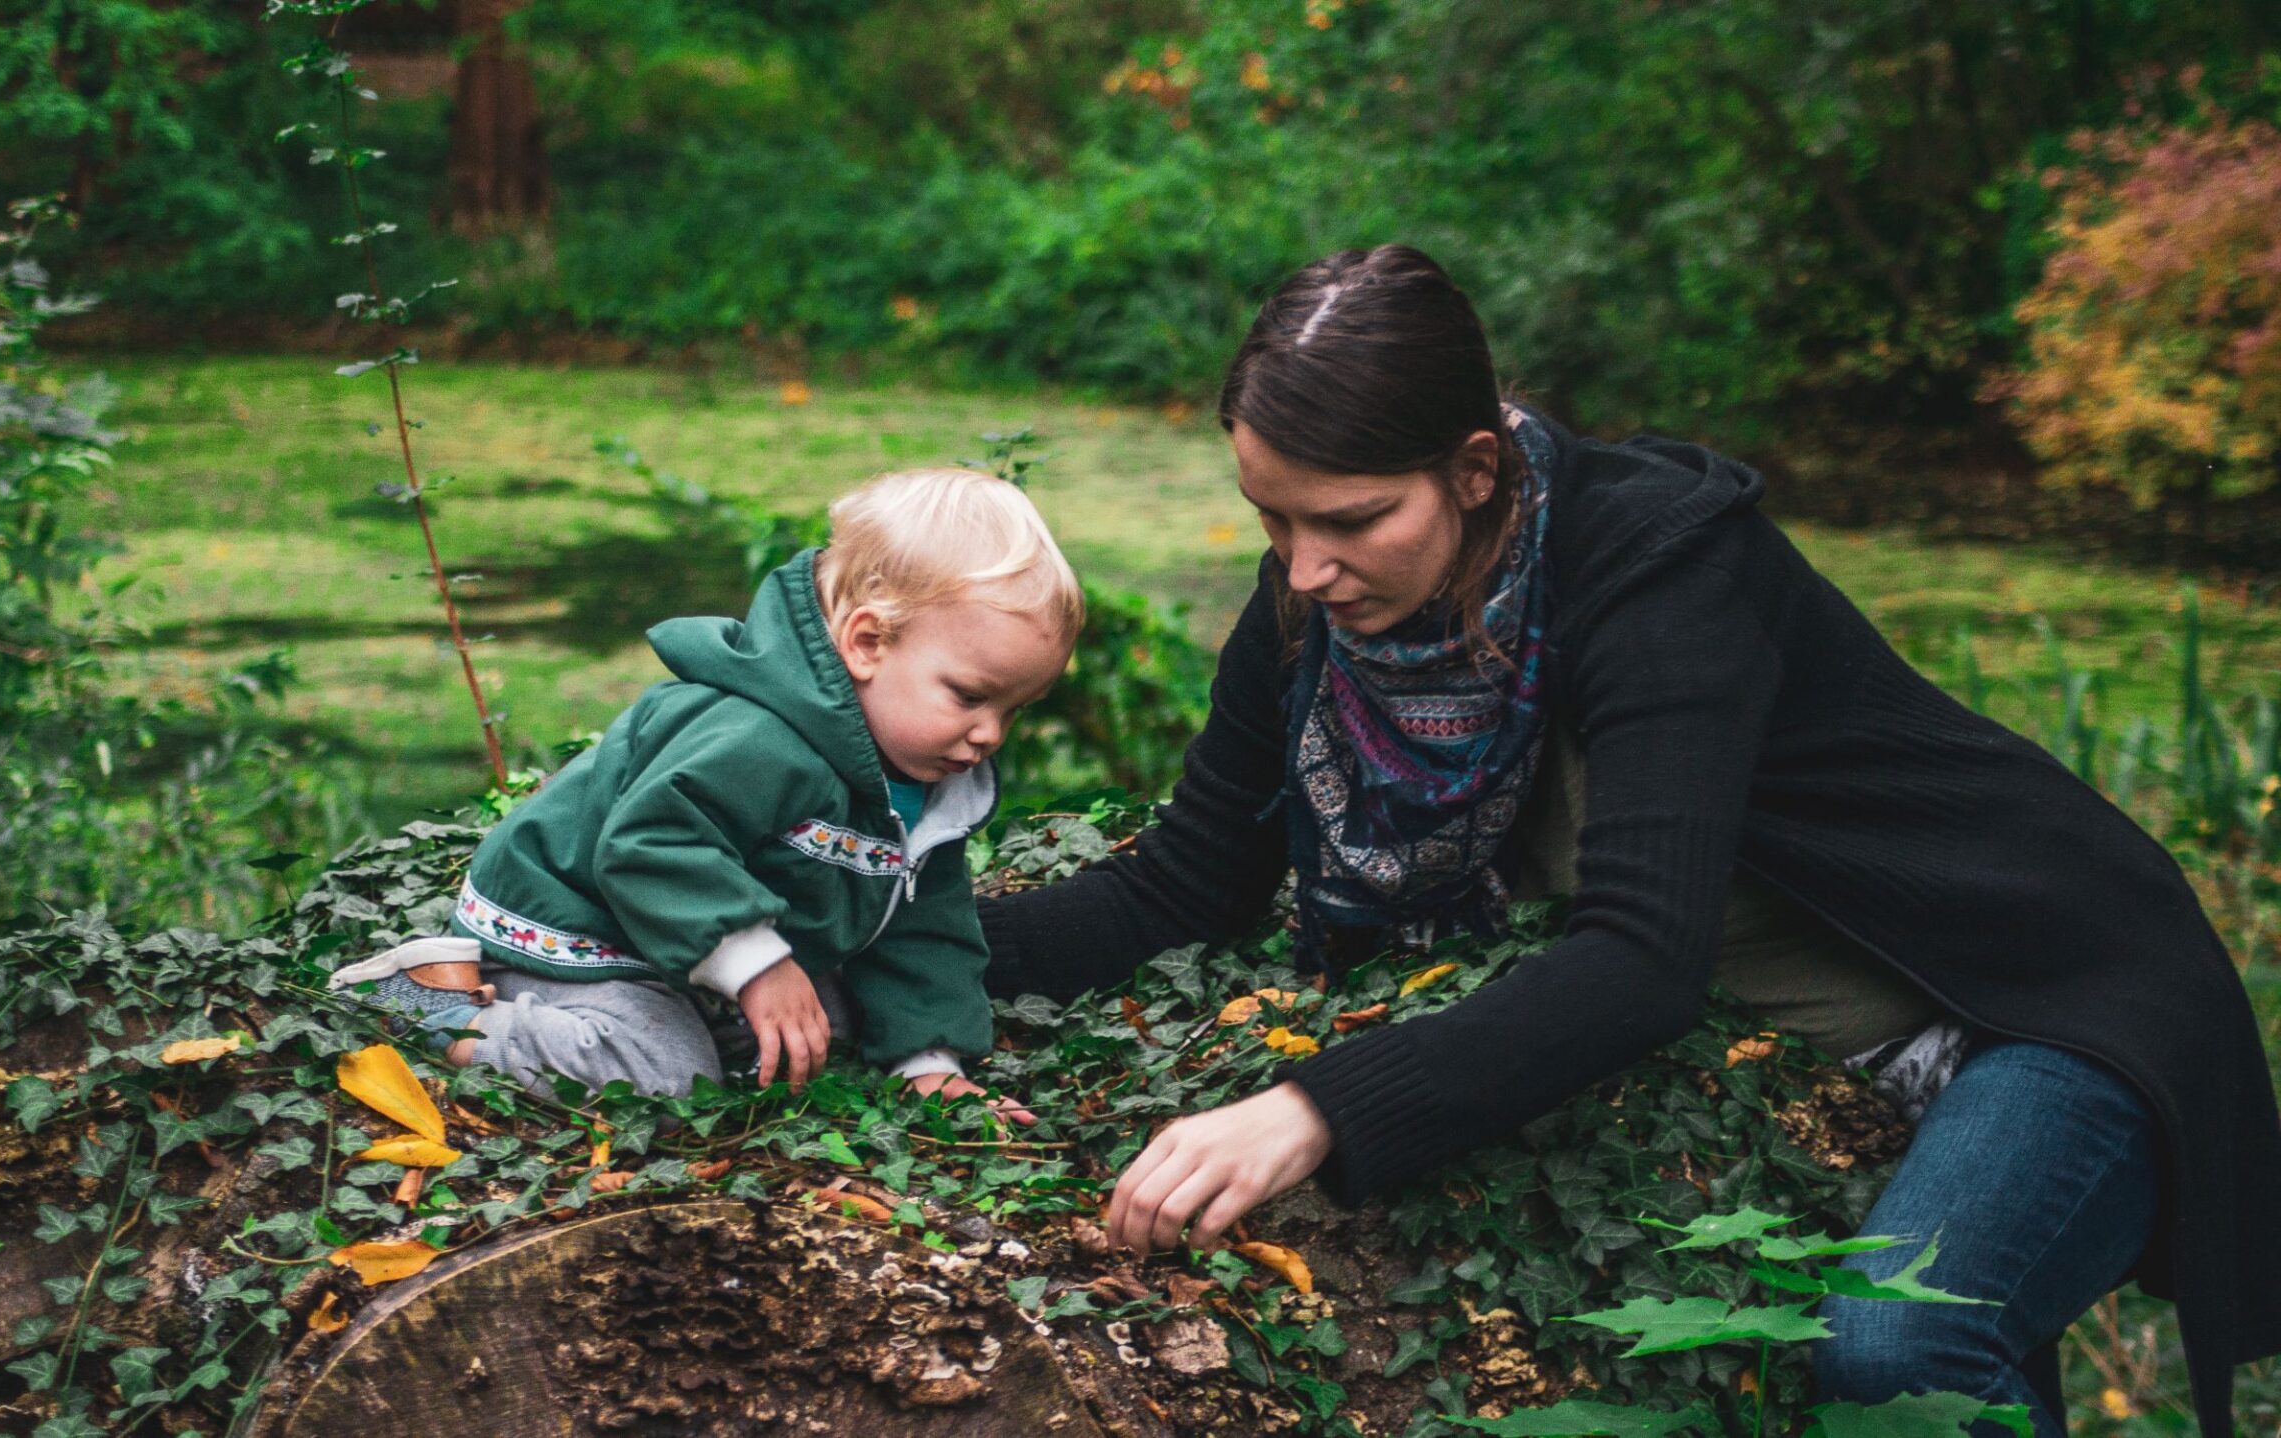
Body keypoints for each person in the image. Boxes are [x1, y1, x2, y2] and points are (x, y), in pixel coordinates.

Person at [974, 245, 2281, 1434]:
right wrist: (881, 935)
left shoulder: (1661, 576)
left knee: (1904, 1350)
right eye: (1273, 517)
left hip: (2043, 998)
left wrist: (1316, 1108)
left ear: (1474, 469)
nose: (1303, 566)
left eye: (1352, 520)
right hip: (1870, 1031)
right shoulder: (1316, 614)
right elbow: (1187, 876)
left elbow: (1644, 957)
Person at [336, 467, 1077, 1121]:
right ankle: (427, 1009)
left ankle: (710, 996)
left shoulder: (927, 775)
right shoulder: (757, 734)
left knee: (837, 1023)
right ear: (867, 643)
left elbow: (919, 924)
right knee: (668, 1073)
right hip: (590, 925)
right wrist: (757, 964)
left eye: (1013, 710)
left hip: (686, 940)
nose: (989, 736)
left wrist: (928, 1062)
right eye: (970, 697)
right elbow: (650, 847)